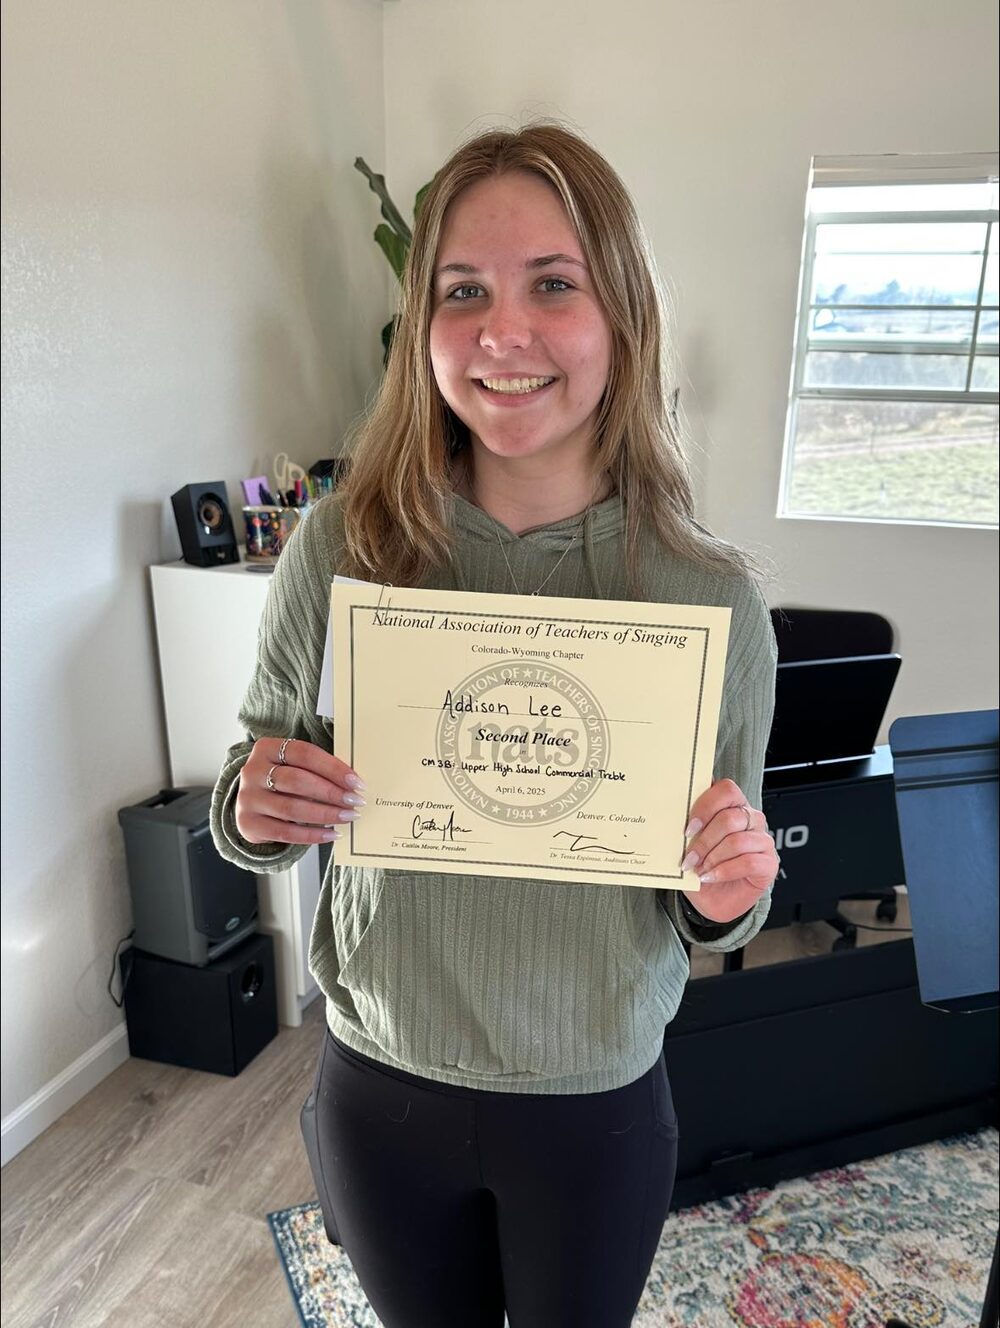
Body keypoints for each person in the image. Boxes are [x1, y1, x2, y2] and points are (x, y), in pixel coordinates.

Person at [211, 123, 779, 1328]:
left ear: (621, 316)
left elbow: (718, 899)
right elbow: (249, 789)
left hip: (595, 1103)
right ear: (422, 325)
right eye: (462, 290)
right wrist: (256, 804)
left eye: (553, 285)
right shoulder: (338, 547)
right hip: (379, 1084)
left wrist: (729, 884)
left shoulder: (712, 598)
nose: (500, 332)